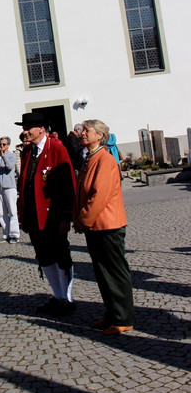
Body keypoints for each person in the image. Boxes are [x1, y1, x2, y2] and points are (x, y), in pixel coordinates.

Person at [73, 119, 134, 335]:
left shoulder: (105, 160)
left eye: (87, 131)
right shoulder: (90, 157)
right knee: (102, 272)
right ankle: (111, 313)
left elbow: (100, 195)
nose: (82, 134)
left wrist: (82, 219)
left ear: (100, 135)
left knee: (115, 272)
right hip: (96, 226)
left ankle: (123, 317)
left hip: (108, 224)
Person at [16, 112, 76, 315]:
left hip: (53, 215)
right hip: (34, 215)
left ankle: (67, 298)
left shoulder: (57, 148)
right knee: (44, 256)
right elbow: (23, 183)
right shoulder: (28, 152)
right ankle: (57, 296)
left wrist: (66, 216)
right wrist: (23, 214)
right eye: (24, 128)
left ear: (41, 129)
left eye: (28, 128)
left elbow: (68, 183)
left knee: (61, 255)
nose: (25, 132)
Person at [0, 137, 19, 242]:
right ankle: (6, 234)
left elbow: (10, 167)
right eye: (0, 144)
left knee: (12, 211)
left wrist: (3, 156)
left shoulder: (11, 155)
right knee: (1, 212)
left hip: (9, 186)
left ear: (8, 145)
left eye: (4, 144)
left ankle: (14, 234)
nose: (1, 146)